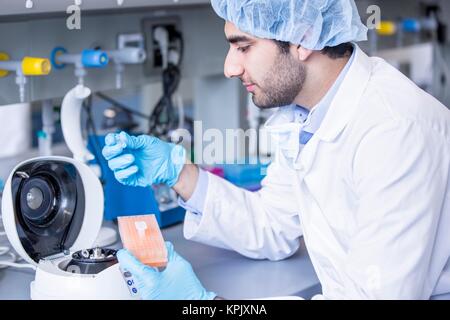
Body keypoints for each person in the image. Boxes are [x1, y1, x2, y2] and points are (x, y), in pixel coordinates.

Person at [102, 0, 450, 299]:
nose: (230, 67)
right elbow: (272, 225)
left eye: (244, 47)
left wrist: (204, 304)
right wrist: (180, 173)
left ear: (303, 37)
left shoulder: (394, 128)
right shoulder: (308, 112)